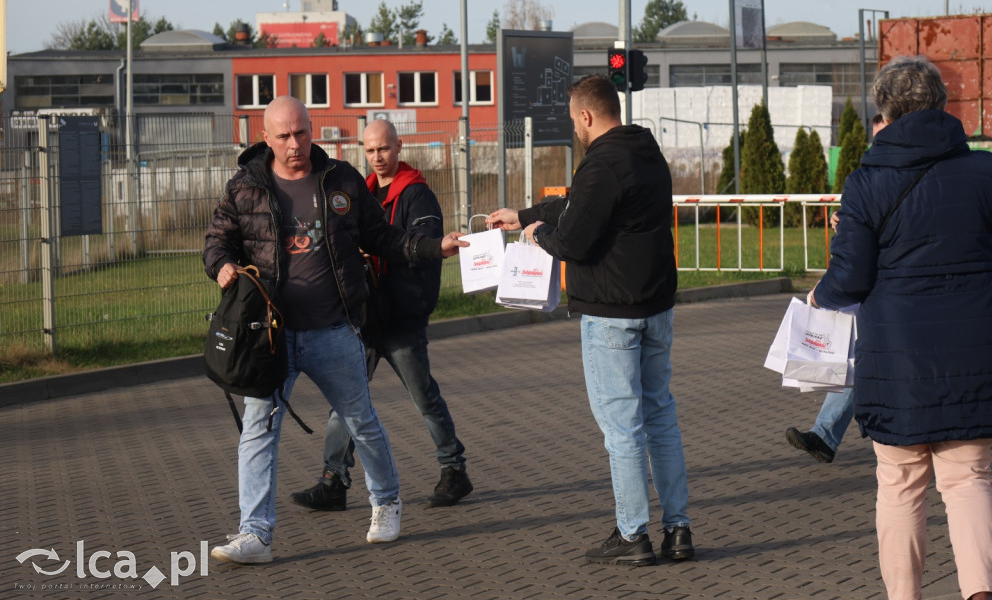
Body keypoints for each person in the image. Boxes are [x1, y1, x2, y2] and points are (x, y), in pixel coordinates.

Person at [203, 96, 467, 564]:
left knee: (361, 421)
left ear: (313, 131)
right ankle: (255, 534)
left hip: (333, 330)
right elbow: (217, 239)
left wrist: (433, 247)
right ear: (266, 138)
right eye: (283, 136)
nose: (294, 145)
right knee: (258, 430)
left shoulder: (340, 179)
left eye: (301, 133)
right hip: (270, 336)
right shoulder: (246, 186)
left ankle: (386, 504)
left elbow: (383, 237)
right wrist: (222, 265)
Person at [809, 57, 992, 600]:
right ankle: (982, 596)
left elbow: (851, 278)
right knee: (969, 479)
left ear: (885, 111)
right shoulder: (984, 170)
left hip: (898, 358)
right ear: (939, 105)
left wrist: (819, 295)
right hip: (973, 352)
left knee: (901, 485)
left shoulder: (866, 183)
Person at [486, 74, 693, 567]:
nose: (574, 128)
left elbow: (575, 238)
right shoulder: (645, 151)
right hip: (655, 307)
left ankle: (632, 534)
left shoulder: (601, 163)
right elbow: (583, 207)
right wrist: (525, 212)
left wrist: (536, 234)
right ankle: (678, 529)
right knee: (660, 417)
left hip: (611, 314)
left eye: (573, 119)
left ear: (585, 115)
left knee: (622, 427)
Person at [290, 119, 472, 512]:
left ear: (399, 147)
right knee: (346, 399)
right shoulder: (362, 192)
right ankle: (333, 479)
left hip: (402, 318)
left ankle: (454, 470)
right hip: (365, 316)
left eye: (384, 149)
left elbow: (419, 248)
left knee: (424, 397)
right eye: (370, 151)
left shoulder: (417, 195)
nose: (377, 158)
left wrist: (376, 257)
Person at [786, 114, 886, 465]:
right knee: (860, 361)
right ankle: (825, 435)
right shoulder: (870, 179)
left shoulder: (899, 177)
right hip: (879, 294)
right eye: (876, 139)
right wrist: (846, 225)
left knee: (872, 364)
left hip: (906, 296)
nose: (879, 146)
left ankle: (830, 435)